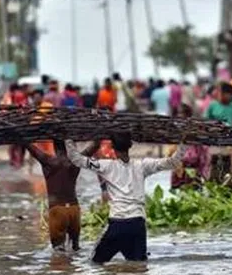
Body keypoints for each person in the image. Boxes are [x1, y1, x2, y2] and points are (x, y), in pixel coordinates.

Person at [65, 133, 186, 263]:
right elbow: (173, 162)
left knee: (95, 262)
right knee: (139, 267)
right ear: (130, 146)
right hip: (137, 225)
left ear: (113, 148)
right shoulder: (142, 165)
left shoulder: (106, 166)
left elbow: (76, 159)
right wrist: (183, 143)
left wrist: (68, 138)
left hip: (118, 225)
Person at [27, 140, 100, 251]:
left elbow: (28, 146)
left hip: (58, 210)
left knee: (58, 252)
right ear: (67, 146)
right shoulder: (76, 160)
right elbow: (96, 145)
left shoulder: (48, 160)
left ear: (55, 147)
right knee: (75, 248)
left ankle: (62, 267)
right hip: (74, 210)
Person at [170, 104, 210, 189]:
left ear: (188, 115)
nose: (180, 116)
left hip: (194, 169)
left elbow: (202, 154)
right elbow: (171, 152)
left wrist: (203, 172)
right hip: (179, 169)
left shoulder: (195, 130)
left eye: (182, 113)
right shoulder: (175, 132)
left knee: (194, 194)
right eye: (178, 113)